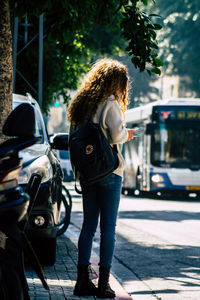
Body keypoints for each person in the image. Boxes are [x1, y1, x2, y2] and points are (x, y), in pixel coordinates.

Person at [67, 58, 135, 298]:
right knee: (108, 228)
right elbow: (116, 135)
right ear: (116, 82)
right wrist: (128, 134)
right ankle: (103, 284)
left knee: (87, 226)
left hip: (87, 174)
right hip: (108, 173)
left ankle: (82, 282)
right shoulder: (110, 103)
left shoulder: (82, 105)